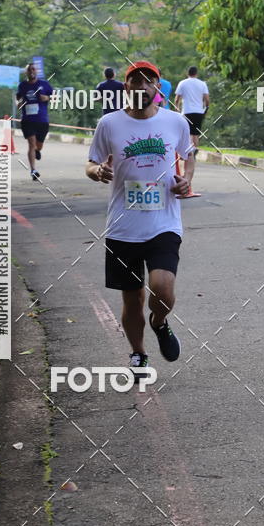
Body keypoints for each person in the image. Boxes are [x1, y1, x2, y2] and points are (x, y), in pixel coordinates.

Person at [86, 60, 193, 374]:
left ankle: (159, 321)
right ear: (126, 87)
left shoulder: (176, 122)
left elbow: (189, 156)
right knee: (131, 299)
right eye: (136, 81)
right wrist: (98, 172)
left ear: (157, 88)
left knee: (162, 287)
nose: (142, 86)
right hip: (123, 226)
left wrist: (186, 179)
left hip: (164, 222)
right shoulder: (109, 124)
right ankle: (138, 353)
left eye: (149, 81)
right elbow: (91, 164)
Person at [16, 63, 53, 181]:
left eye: (33, 69)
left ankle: (37, 150)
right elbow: (18, 99)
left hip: (42, 120)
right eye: (29, 70)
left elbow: (55, 96)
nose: (31, 71)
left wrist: (46, 98)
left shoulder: (44, 84)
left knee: (38, 145)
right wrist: (19, 104)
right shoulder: (22, 86)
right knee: (31, 144)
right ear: (26, 72)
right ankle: (33, 170)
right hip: (27, 120)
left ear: (36, 71)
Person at [174, 66, 209, 187]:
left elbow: (177, 98)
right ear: (196, 73)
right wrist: (205, 109)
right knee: (196, 133)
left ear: (187, 73)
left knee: (188, 133)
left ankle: (189, 152)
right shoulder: (202, 84)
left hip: (187, 111)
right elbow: (207, 99)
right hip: (198, 111)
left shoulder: (182, 83)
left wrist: (177, 109)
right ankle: (194, 152)